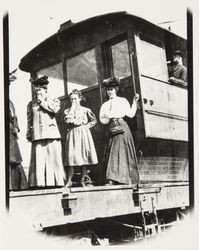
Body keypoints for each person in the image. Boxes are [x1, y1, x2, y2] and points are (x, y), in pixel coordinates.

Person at [99, 77, 140, 185]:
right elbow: (102, 120)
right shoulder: (105, 105)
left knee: (120, 153)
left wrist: (134, 102)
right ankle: (112, 178)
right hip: (112, 128)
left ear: (116, 89)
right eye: (108, 90)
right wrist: (108, 117)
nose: (109, 92)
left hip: (122, 127)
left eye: (111, 89)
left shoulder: (122, 101)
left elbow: (130, 114)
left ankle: (118, 179)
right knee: (112, 152)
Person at [27, 75, 66, 188]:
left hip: (51, 133)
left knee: (54, 158)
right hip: (37, 134)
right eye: (36, 90)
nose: (38, 92)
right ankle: (39, 183)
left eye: (40, 90)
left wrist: (42, 102)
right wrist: (29, 133)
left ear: (45, 90)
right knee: (39, 158)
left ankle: (57, 182)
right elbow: (29, 119)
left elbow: (54, 110)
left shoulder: (53, 100)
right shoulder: (31, 104)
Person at [63, 89, 98, 187]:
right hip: (73, 132)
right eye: (72, 99)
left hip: (83, 133)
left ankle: (83, 180)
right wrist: (72, 108)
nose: (73, 101)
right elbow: (68, 120)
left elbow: (93, 121)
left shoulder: (86, 110)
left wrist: (86, 126)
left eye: (75, 99)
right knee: (71, 156)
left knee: (83, 156)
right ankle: (69, 180)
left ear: (79, 99)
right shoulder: (67, 111)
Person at [9, 69, 28, 191]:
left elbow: (14, 116)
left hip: (11, 133)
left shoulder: (10, 102)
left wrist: (16, 127)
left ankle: (17, 186)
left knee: (15, 159)